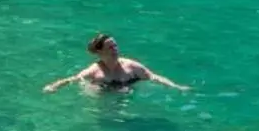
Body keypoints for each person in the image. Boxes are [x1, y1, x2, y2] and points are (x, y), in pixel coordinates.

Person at [45, 33, 189, 93]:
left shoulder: (131, 66)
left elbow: (153, 77)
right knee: (90, 90)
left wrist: (176, 86)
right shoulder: (95, 71)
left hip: (127, 90)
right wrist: (54, 86)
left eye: (115, 45)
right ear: (100, 52)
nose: (115, 49)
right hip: (104, 92)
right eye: (110, 47)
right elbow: (74, 79)